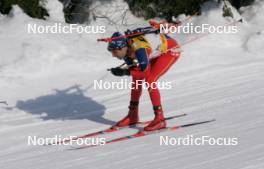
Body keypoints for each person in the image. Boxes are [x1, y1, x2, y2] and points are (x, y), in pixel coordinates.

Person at [108, 31, 181, 131]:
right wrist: (126, 71)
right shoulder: (126, 48)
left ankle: (160, 119)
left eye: (114, 52)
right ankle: (132, 115)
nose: (113, 55)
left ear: (121, 48)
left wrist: (125, 72)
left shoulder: (140, 49)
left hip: (170, 50)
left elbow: (144, 71)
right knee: (136, 79)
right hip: (156, 52)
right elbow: (135, 69)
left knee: (150, 80)